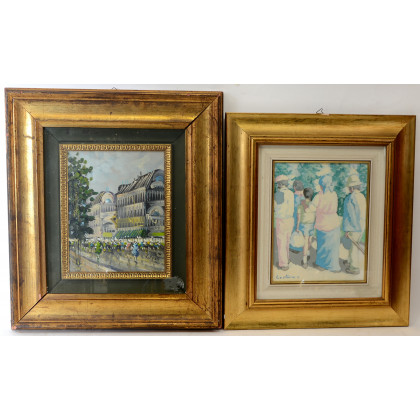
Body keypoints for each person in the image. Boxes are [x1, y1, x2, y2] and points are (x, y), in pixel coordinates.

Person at [307, 174, 341, 272]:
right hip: (334, 222)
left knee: (322, 246)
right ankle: (334, 266)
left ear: (321, 185)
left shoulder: (319, 196)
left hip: (323, 223)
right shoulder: (334, 194)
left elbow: (311, 209)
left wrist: (306, 205)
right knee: (333, 247)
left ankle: (322, 265)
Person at [342, 174, 367, 275]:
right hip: (361, 226)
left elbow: (351, 216)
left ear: (352, 187)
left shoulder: (350, 198)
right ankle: (349, 261)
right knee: (354, 245)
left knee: (353, 247)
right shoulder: (362, 196)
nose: (348, 189)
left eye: (349, 187)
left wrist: (348, 230)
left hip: (354, 227)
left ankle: (354, 267)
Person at [273, 174, 294, 270]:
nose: (277, 185)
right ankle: (287, 258)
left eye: (278, 183)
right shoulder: (291, 193)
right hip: (290, 220)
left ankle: (283, 263)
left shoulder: (279, 194)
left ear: (280, 184)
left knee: (281, 242)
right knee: (287, 241)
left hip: (281, 220)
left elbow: (275, 207)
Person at [296, 187, 315, 269]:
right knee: (310, 240)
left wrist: (297, 228)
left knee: (305, 243)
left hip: (304, 225)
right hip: (311, 224)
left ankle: (305, 261)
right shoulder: (313, 205)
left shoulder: (301, 205)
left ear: (304, 195)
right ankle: (308, 254)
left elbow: (298, 219)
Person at [290, 180, 304, 253]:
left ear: (294, 187)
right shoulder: (304, 197)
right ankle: (299, 247)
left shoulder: (292, 196)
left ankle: (293, 246)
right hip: (302, 217)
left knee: (293, 231)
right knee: (300, 232)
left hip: (293, 216)